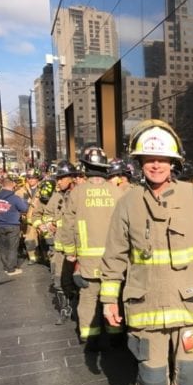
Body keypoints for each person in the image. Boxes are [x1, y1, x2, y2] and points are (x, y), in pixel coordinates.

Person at [99, 119, 193, 385]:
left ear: (175, 163)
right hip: (145, 307)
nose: (156, 164)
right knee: (150, 376)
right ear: (139, 163)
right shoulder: (128, 203)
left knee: (190, 373)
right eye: (149, 158)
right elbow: (115, 253)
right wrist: (107, 299)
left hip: (188, 307)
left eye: (162, 159)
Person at [62, 147, 124, 350]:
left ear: (85, 167)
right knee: (113, 296)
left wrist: (70, 252)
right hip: (114, 261)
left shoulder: (77, 193)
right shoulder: (117, 192)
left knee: (88, 298)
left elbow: (68, 225)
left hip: (87, 260)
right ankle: (115, 334)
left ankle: (90, 337)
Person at [42, 161, 79, 325]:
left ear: (72, 178)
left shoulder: (80, 195)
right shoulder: (56, 197)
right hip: (59, 250)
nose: (58, 182)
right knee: (58, 281)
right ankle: (65, 309)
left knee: (78, 282)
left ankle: (77, 309)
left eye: (62, 178)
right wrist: (49, 224)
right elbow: (46, 214)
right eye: (58, 178)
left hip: (78, 249)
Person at [0, 178, 29, 276]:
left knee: (3, 247)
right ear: (12, 185)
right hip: (12, 225)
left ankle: (6, 266)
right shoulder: (15, 198)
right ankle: (11, 269)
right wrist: (25, 201)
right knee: (13, 247)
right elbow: (24, 208)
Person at [17, 169, 42, 264]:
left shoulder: (43, 189)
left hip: (40, 218)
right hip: (27, 220)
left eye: (33, 178)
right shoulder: (21, 190)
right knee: (29, 239)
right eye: (29, 178)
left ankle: (44, 255)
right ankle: (33, 257)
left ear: (37, 179)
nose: (31, 180)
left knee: (42, 239)